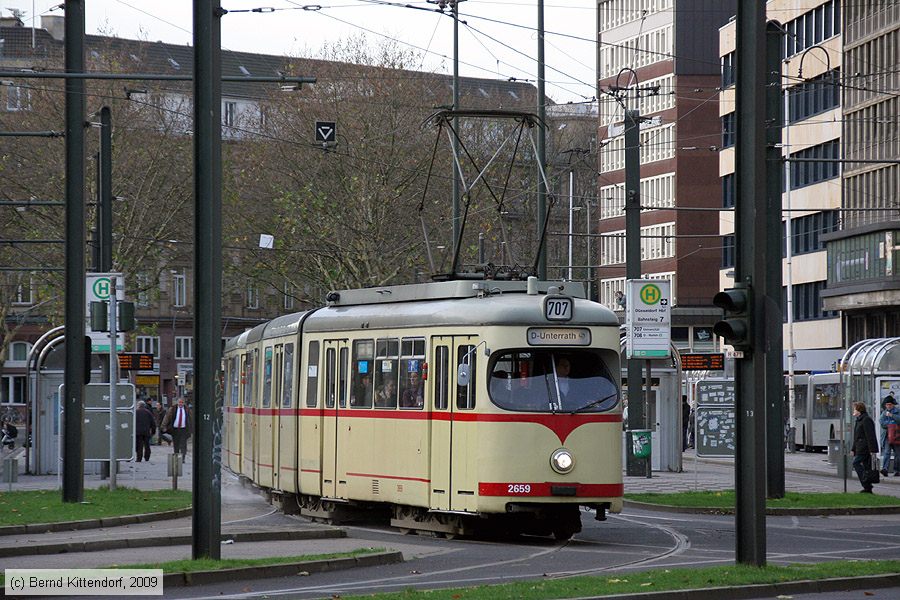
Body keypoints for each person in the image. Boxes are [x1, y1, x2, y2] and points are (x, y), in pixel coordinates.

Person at [851, 401, 879, 493]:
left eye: (855, 409)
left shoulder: (866, 420)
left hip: (865, 448)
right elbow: (856, 436)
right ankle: (867, 487)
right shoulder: (859, 420)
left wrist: (873, 450)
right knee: (866, 467)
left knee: (856, 463)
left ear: (859, 410)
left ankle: (866, 482)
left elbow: (870, 435)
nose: (853, 411)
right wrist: (853, 449)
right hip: (860, 448)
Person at [162, 398, 192, 463]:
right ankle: (177, 457)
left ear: (184, 403)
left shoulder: (187, 409)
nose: (180, 404)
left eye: (182, 402)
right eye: (179, 402)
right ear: (177, 403)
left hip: (184, 429)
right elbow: (167, 417)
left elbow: (191, 418)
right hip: (175, 429)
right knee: (176, 444)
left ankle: (183, 458)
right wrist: (163, 426)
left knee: (183, 444)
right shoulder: (172, 409)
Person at [879, 396, 900, 477]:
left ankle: (897, 470)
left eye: (890, 404)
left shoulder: (897, 411)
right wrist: (891, 425)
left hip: (897, 435)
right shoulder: (884, 413)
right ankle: (885, 469)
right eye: (887, 405)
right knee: (887, 452)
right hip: (887, 436)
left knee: (897, 454)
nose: (888, 406)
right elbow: (881, 422)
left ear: (893, 405)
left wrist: (892, 416)